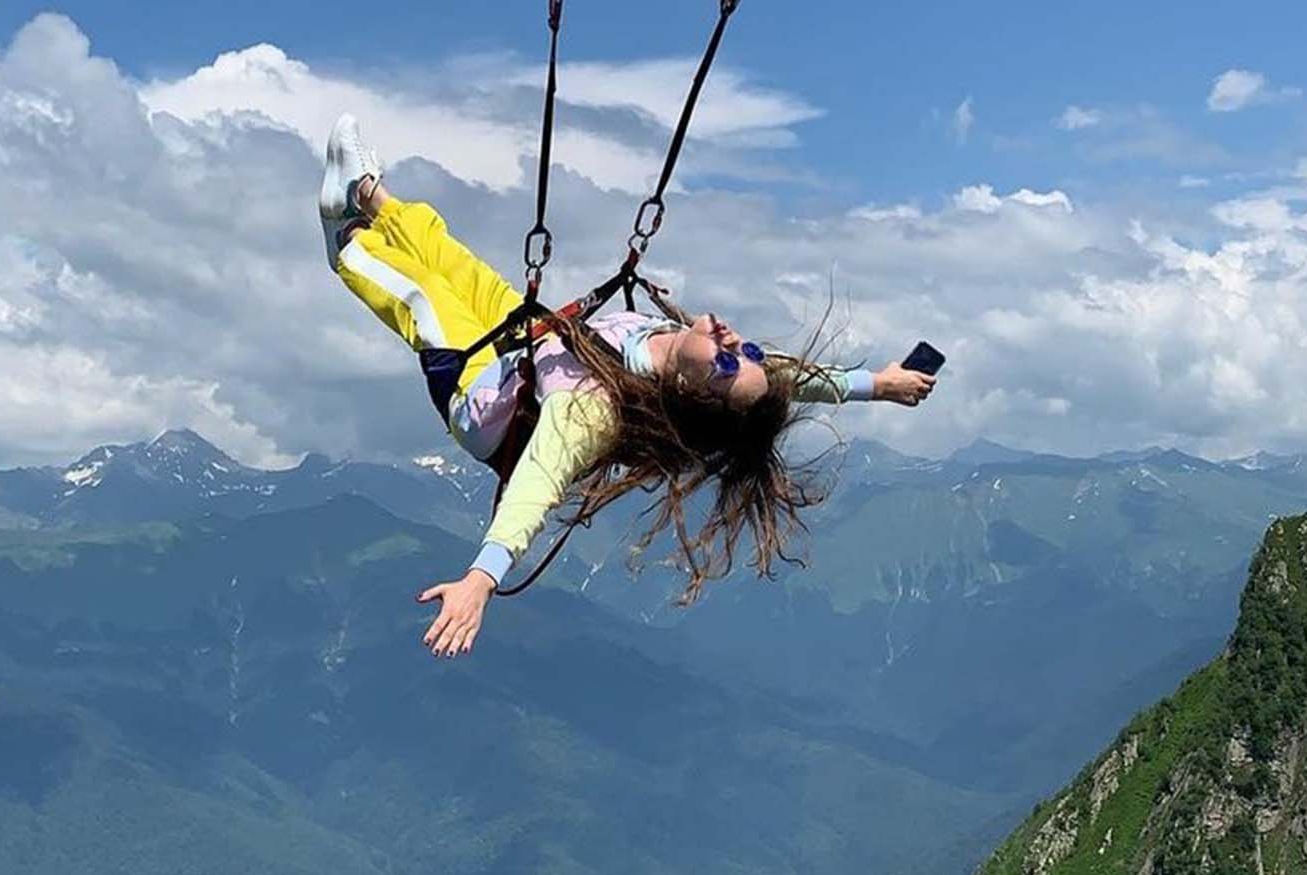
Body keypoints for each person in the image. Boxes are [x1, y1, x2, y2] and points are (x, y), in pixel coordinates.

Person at [319, 114, 939, 657]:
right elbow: (786, 377)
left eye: (727, 364)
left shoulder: (595, 410)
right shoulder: (696, 354)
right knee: (453, 260)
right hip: (528, 341)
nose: (735, 344)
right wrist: (877, 384)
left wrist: (481, 579)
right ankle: (366, 193)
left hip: (478, 390)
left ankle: (344, 240)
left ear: (692, 394)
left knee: (425, 295)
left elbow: (536, 487)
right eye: (745, 350)